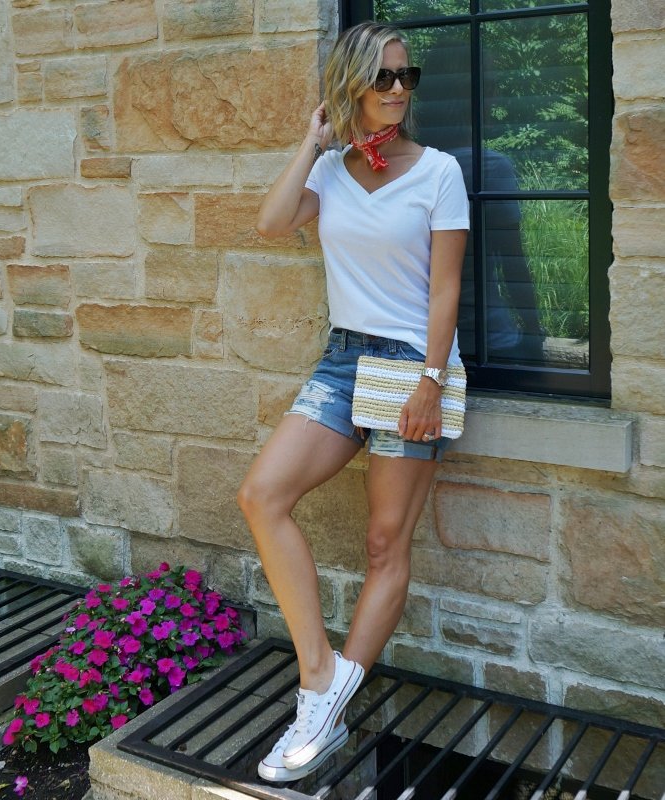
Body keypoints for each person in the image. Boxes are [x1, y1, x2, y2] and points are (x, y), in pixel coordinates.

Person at [237, 21, 469, 783]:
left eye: (408, 76)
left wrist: (431, 382)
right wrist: (313, 141)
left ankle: (323, 716)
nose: (399, 91)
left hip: (411, 367)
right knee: (262, 495)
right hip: (343, 360)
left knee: (382, 546)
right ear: (351, 86)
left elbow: (444, 289)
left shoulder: (437, 172)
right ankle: (320, 679)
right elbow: (273, 224)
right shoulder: (332, 170)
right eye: (383, 78)